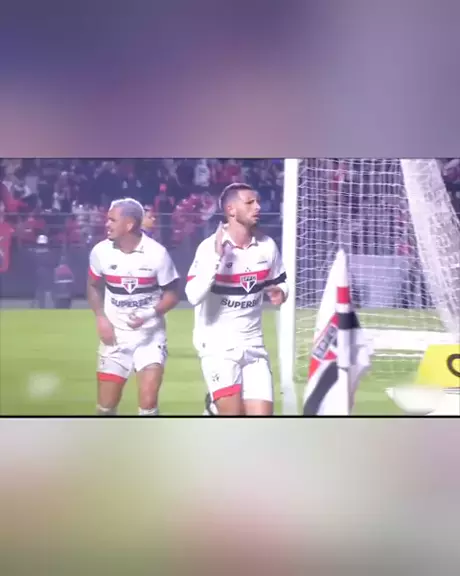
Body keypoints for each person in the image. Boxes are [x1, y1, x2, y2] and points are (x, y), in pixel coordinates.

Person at [185, 183, 288, 416]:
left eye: (257, 202)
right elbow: (192, 295)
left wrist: (281, 291)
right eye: (250, 202)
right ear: (231, 210)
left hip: (254, 345)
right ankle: (215, 408)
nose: (258, 207)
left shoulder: (267, 246)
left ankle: (213, 407)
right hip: (217, 347)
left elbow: (281, 281)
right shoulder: (208, 248)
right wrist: (216, 258)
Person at [87, 197, 180, 416]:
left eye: (112, 220)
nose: (107, 224)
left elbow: (173, 294)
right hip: (115, 338)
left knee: (148, 403)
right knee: (106, 407)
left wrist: (149, 314)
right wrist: (100, 318)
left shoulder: (157, 254)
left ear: (129, 224)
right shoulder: (100, 251)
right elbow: (92, 286)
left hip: (150, 338)